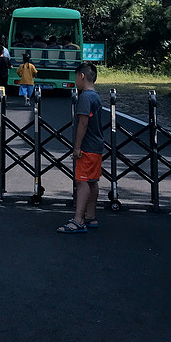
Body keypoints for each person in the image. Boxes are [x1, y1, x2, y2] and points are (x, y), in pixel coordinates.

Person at [57, 63, 105, 233]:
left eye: (76, 76)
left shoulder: (85, 97)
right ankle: (90, 216)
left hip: (87, 147)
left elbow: (83, 123)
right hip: (97, 145)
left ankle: (78, 220)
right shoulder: (95, 96)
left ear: (82, 76)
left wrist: (76, 147)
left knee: (82, 182)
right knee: (93, 181)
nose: (75, 80)